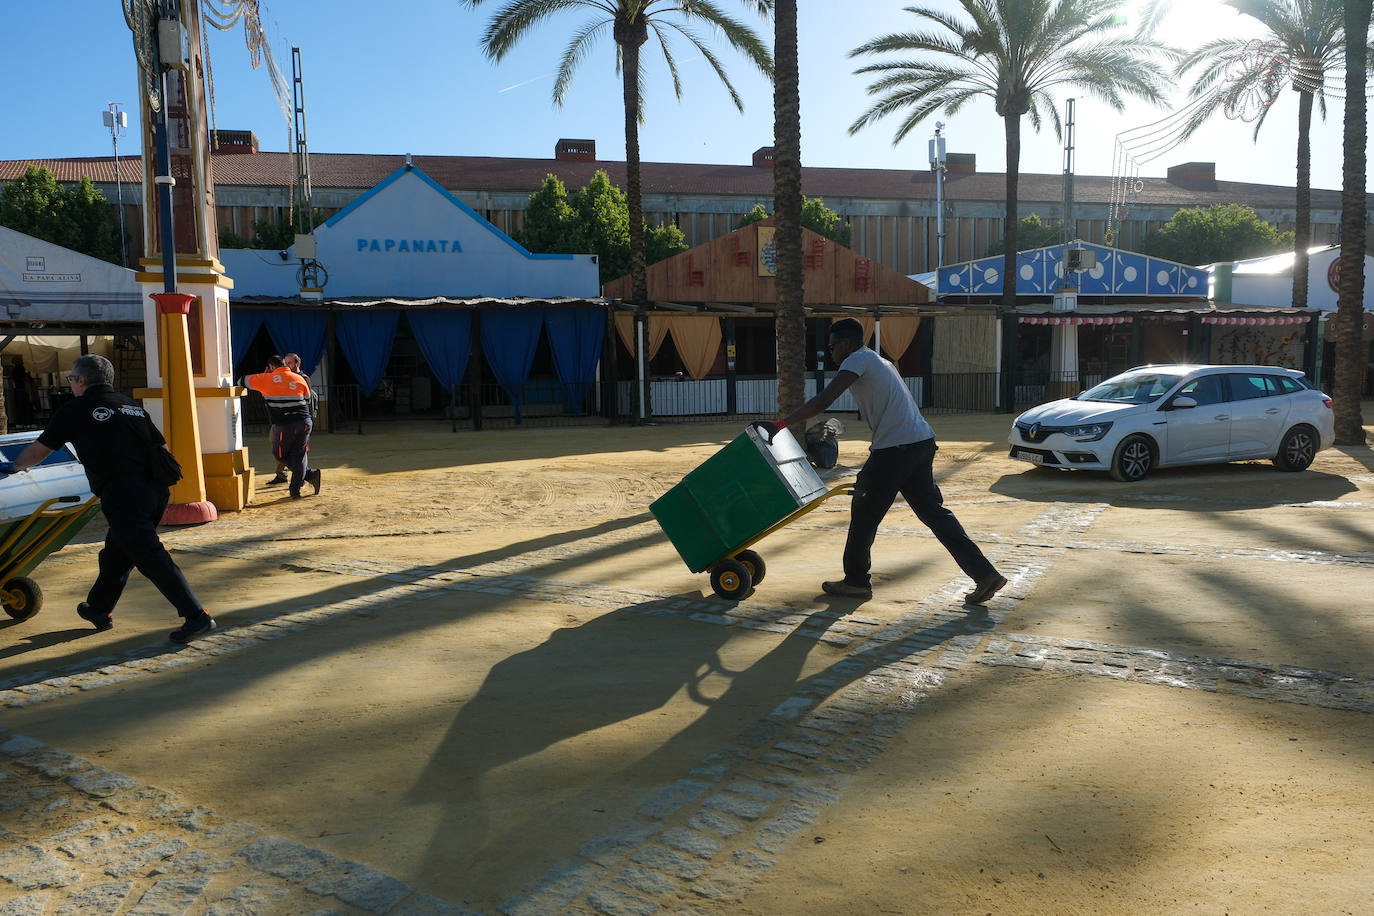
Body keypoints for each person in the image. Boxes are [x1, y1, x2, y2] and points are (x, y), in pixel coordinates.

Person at [774, 318, 1007, 605]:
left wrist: (781, 424)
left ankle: (856, 582)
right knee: (935, 514)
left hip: (895, 450)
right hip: (920, 443)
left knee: (864, 512)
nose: (831, 353)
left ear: (846, 344)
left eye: (833, 346)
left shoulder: (858, 359)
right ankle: (985, 575)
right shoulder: (877, 361)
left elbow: (824, 401)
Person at [0, 354, 216, 642]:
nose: (72, 385)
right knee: (117, 552)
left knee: (150, 556)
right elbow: (161, 445)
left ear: (80, 380)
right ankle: (98, 608)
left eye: (72, 379)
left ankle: (196, 616)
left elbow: (39, 452)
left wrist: (12, 466)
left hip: (122, 493)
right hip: (155, 492)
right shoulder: (130, 406)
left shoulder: (75, 409)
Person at [243, 355, 321, 499]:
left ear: (271, 367)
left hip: (284, 425)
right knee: (299, 455)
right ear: (285, 364)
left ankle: (309, 475)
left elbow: (241, 381)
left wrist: (265, 377)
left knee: (280, 454)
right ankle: (296, 489)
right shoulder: (300, 379)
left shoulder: (265, 378)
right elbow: (307, 399)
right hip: (304, 421)